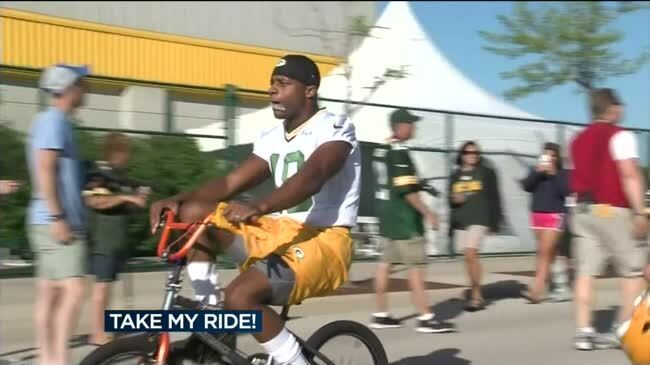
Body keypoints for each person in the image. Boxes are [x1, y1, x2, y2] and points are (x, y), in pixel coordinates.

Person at [149, 54, 361, 365]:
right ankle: (213, 318)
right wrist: (176, 199)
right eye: (271, 84)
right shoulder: (272, 137)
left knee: (241, 296)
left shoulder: (334, 126)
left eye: (283, 83)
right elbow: (230, 182)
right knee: (194, 212)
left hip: (324, 240)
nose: (273, 91)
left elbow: (314, 175)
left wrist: (261, 205)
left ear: (309, 90)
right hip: (278, 232)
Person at [569, 88, 648, 351]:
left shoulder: (577, 140)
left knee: (585, 272)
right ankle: (622, 328)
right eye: (620, 104)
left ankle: (584, 331)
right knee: (633, 270)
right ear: (612, 108)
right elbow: (629, 174)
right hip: (613, 209)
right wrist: (640, 211)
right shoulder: (621, 136)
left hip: (583, 210)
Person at [369, 108, 455, 333]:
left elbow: (391, 180)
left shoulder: (381, 149)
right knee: (416, 267)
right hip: (405, 219)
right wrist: (428, 213)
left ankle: (380, 314)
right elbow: (406, 190)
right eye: (411, 123)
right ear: (401, 126)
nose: (414, 127)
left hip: (387, 216)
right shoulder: (399, 152)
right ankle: (426, 318)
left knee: (385, 265)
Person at [26, 64, 89, 365]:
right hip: (55, 221)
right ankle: (58, 359)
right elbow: (44, 168)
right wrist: (58, 217)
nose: (85, 89)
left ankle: (47, 357)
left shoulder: (54, 121)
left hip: (47, 219)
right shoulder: (53, 121)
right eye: (82, 83)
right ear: (69, 89)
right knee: (74, 290)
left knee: (49, 292)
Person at [83, 132, 149, 345]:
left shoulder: (118, 176)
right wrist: (126, 196)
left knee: (106, 285)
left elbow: (125, 207)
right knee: (101, 286)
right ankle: (97, 332)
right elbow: (95, 201)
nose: (128, 157)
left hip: (114, 241)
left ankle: (102, 329)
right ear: (117, 152)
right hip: (102, 240)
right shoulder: (99, 174)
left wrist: (138, 199)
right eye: (126, 152)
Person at [448, 141, 503, 311]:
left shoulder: (486, 173)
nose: (472, 155)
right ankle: (474, 290)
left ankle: (477, 296)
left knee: (471, 254)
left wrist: (495, 222)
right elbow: (449, 199)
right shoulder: (455, 175)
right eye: (468, 152)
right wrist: (454, 199)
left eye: (475, 153)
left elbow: (495, 197)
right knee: (467, 257)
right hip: (461, 220)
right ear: (462, 155)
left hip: (480, 218)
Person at [520, 142, 571, 303]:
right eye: (546, 155)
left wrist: (553, 174)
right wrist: (537, 173)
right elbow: (526, 186)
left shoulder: (563, 173)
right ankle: (561, 287)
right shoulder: (536, 171)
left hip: (555, 215)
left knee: (544, 253)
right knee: (550, 253)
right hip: (537, 215)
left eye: (552, 155)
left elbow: (565, 191)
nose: (549, 158)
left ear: (557, 158)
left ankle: (537, 289)